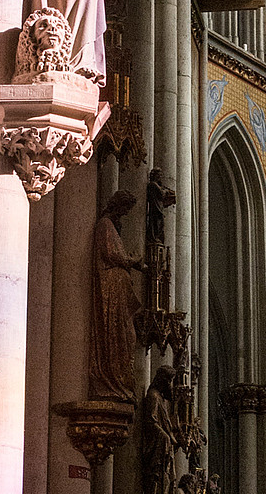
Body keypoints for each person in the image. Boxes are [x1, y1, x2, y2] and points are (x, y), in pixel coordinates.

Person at [89, 190, 144, 402]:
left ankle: (120, 381)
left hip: (118, 290)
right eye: (125, 209)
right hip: (109, 289)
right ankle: (110, 380)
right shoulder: (105, 225)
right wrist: (132, 261)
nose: (125, 214)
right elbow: (112, 255)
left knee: (127, 336)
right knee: (118, 334)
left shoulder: (112, 226)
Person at [141, 366, 178, 494]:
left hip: (164, 448)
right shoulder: (153, 396)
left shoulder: (161, 399)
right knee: (157, 479)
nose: (170, 384)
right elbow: (150, 421)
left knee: (167, 480)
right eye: (169, 380)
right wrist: (166, 437)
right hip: (158, 449)